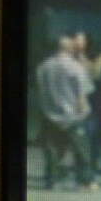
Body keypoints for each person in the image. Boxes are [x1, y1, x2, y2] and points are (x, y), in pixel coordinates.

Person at [35, 33, 96, 189]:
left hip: (50, 114)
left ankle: (51, 180)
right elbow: (82, 93)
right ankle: (85, 181)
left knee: (52, 150)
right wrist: (84, 110)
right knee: (82, 150)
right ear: (70, 49)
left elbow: (40, 89)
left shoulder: (43, 67)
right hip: (73, 116)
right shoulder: (76, 67)